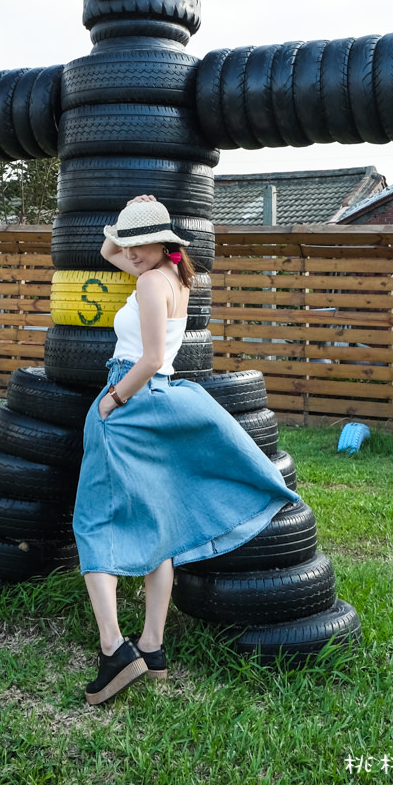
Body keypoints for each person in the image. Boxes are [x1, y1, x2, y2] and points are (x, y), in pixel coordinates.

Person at [72, 196, 299, 705]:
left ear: (163, 244)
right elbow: (110, 248)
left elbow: (151, 357)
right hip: (160, 400)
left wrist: (111, 400)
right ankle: (151, 649)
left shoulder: (152, 282)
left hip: (130, 397)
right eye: (128, 243)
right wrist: (133, 218)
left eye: (138, 244)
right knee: (159, 525)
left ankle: (114, 650)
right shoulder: (174, 276)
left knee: (92, 521)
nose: (126, 253)